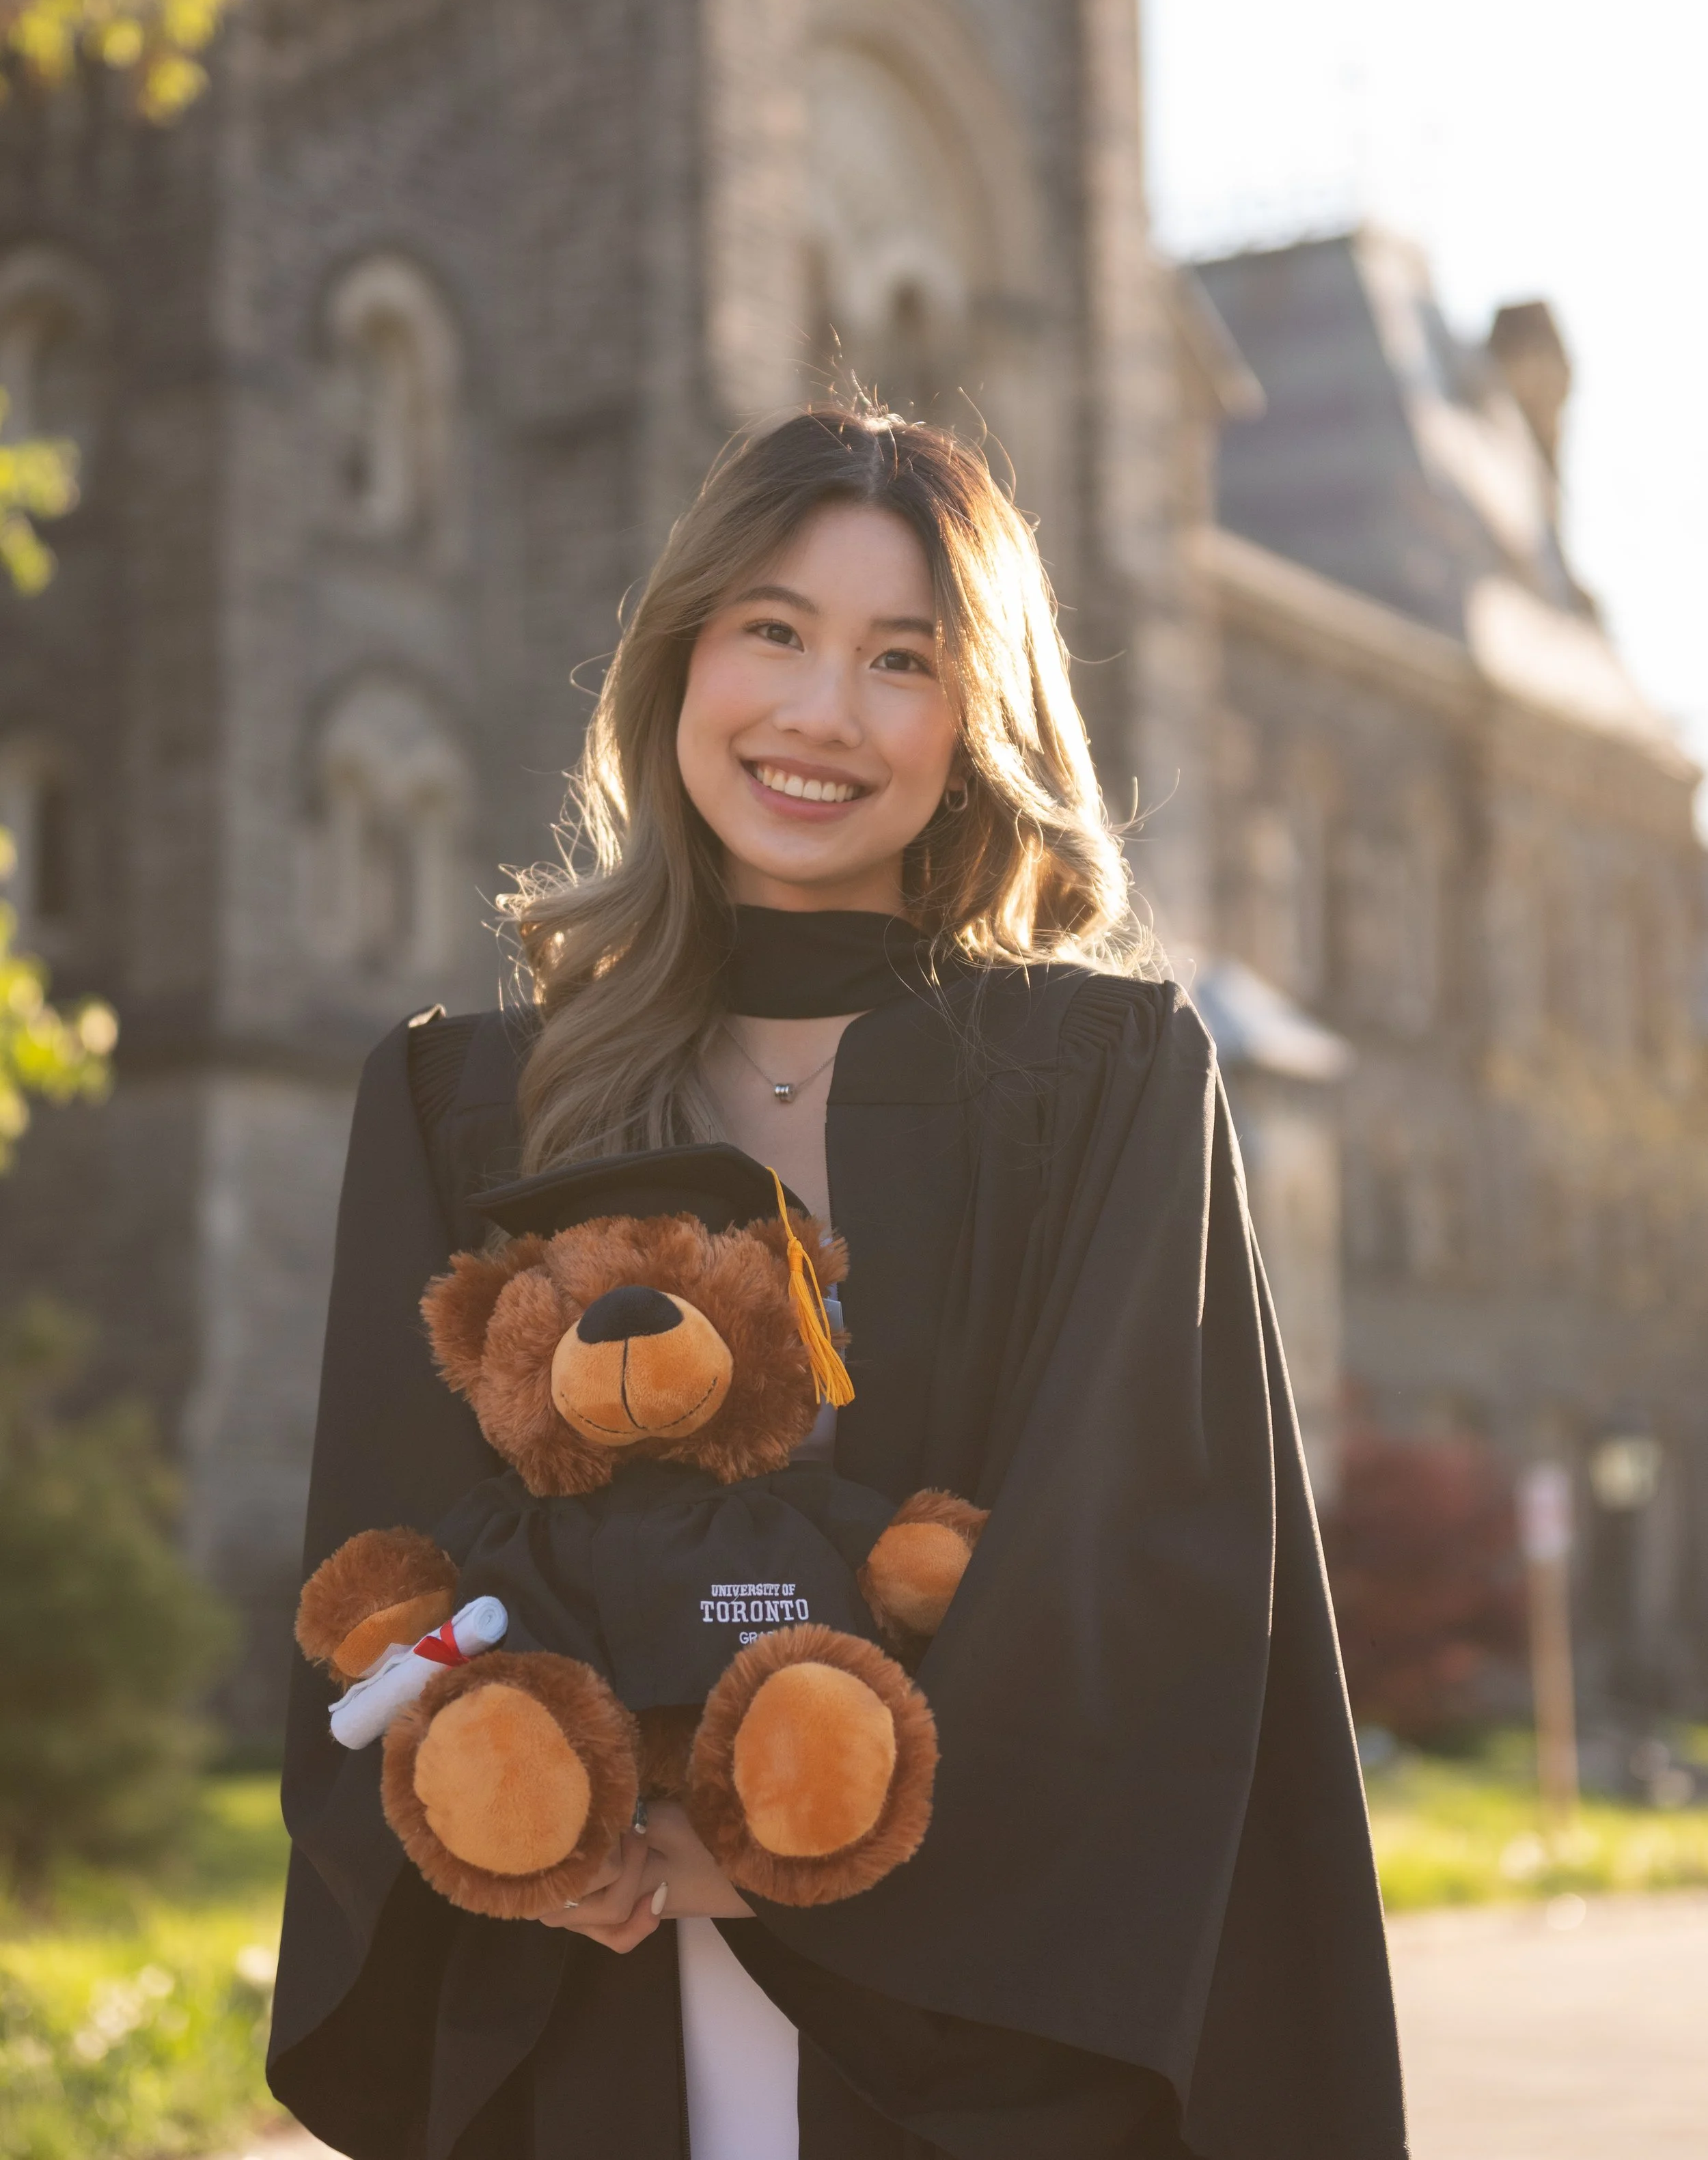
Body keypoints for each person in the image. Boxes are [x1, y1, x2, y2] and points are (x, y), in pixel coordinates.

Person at [269, 410, 1408, 2160]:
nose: (818, 714)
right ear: (678, 662)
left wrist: (780, 1852)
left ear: (976, 725)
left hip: (977, 2047)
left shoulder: (1094, 1086)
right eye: (773, 633)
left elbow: (1143, 1574)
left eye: (901, 659)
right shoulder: (470, 1105)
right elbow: (384, 1559)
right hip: (584, 2022)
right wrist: (501, 1811)